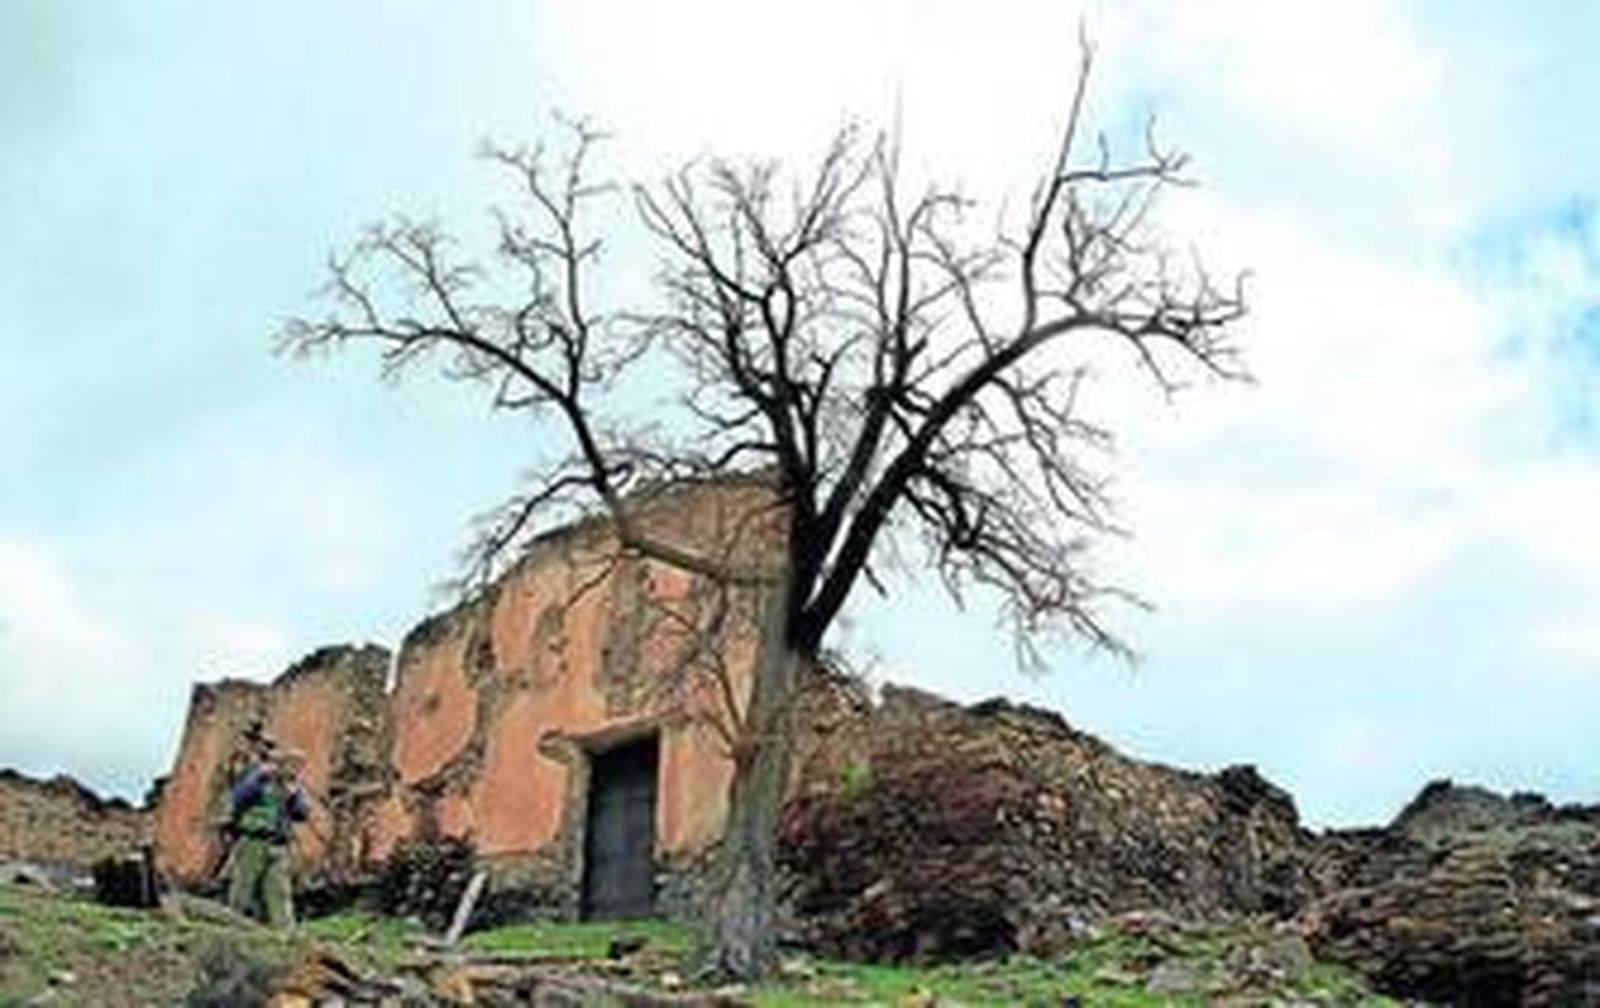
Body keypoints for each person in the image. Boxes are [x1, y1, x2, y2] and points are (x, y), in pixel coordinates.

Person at [225, 744, 309, 927]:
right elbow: (237, 797)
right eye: (292, 765)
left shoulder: (294, 787)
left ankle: (286, 936)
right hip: (253, 841)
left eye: (299, 766)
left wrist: (294, 797)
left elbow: (302, 814)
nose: (295, 770)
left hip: (278, 846)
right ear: (280, 764)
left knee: (280, 893)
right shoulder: (258, 778)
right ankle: (230, 928)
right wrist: (259, 777)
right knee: (242, 889)